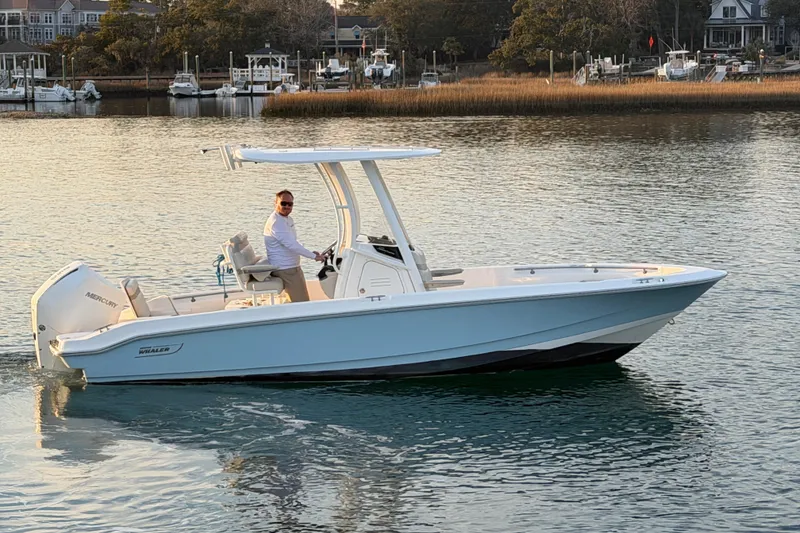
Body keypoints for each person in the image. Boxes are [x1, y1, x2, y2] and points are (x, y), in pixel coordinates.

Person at [264, 190, 324, 302]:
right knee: (302, 303)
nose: (287, 206)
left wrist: (311, 252)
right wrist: (314, 257)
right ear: (275, 203)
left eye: (290, 204)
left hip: (292, 267)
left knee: (303, 300)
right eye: (283, 203)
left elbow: (293, 242)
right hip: (285, 269)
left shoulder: (286, 219)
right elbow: (291, 245)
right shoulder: (276, 222)